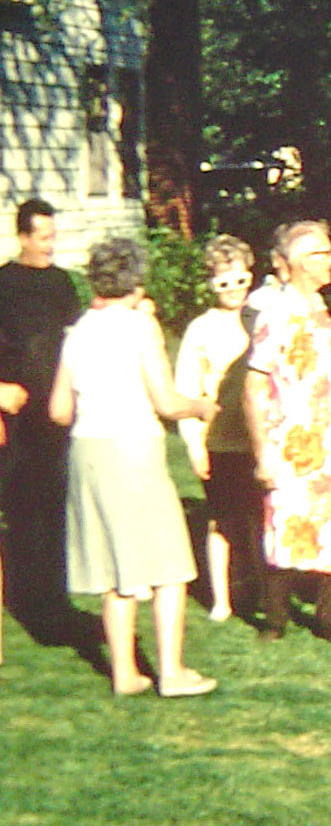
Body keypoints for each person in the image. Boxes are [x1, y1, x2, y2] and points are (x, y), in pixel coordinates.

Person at [49, 238, 216, 697]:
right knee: (169, 566)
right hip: (132, 448)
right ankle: (173, 672)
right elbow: (166, 401)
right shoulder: (142, 328)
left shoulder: (79, 330)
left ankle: (125, 673)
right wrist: (200, 407)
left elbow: (59, 410)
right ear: (136, 280)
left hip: (86, 451)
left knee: (115, 570)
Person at [244, 221, 331, 645]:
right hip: (290, 442)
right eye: (320, 254)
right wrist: (263, 453)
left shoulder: (322, 310)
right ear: (292, 263)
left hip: (330, 442)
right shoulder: (277, 314)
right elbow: (254, 387)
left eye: (329, 252)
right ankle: (274, 618)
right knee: (285, 525)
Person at [0, 198, 80, 630]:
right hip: (15, 416)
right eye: (43, 238)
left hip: (57, 414)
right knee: (20, 507)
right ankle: (24, 598)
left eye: (54, 237)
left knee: (55, 506)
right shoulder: (3, 284)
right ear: (24, 236)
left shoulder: (62, 284)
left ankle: (54, 599)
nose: (50, 246)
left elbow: (73, 341)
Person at [175, 235, 260, 621]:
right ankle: (222, 598)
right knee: (220, 518)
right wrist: (194, 445)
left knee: (259, 515)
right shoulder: (200, 329)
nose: (233, 291)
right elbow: (187, 389)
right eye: (223, 282)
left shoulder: (261, 320)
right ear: (211, 284)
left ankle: (260, 588)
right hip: (219, 438)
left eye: (240, 280)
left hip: (258, 434)